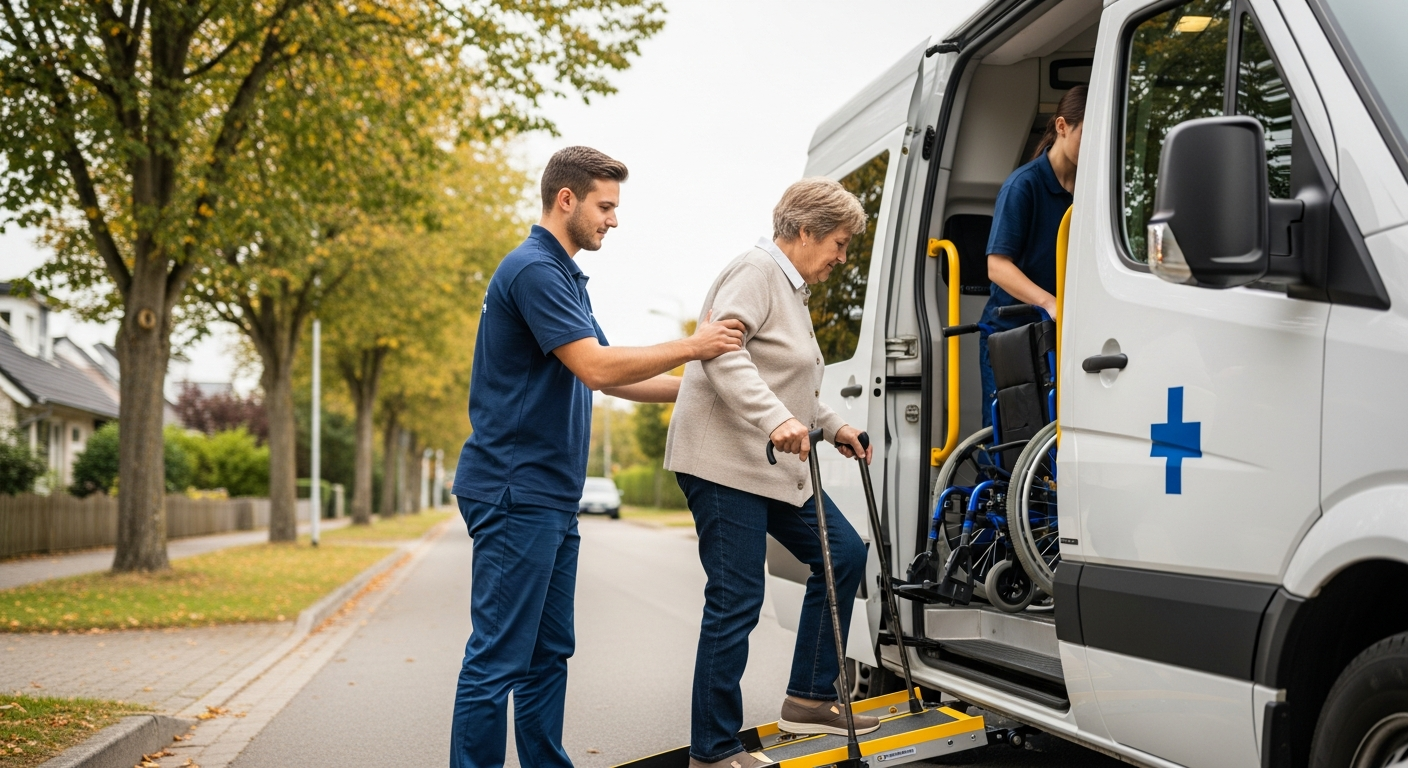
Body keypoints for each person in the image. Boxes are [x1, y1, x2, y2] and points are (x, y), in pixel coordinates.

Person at [450, 146, 746, 768]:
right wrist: (694, 345)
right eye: (605, 206)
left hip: (552, 496)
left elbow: (611, 381)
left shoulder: (564, 276)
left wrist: (708, 392)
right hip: (514, 490)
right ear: (567, 200)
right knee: (499, 657)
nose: (614, 220)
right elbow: (595, 364)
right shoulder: (533, 269)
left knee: (547, 652)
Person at [664, 178, 878, 768]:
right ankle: (713, 752)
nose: (841, 256)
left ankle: (809, 698)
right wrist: (777, 419)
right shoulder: (756, 272)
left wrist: (833, 424)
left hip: (769, 464)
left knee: (842, 554)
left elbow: (791, 378)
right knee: (736, 597)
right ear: (804, 231)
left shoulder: (793, 290)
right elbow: (721, 353)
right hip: (722, 460)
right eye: (837, 242)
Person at [978, 85, 1087, 425]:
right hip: (1014, 335)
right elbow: (997, 267)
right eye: (1087, 134)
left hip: (1061, 334)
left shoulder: (1089, 190)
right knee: (1012, 442)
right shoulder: (1023, 185)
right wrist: (1050, 303)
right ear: (1061, 126)